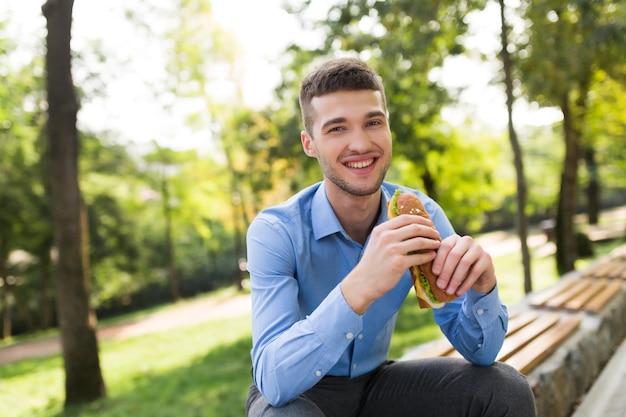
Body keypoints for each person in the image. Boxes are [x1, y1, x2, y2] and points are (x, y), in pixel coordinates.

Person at [245, 57, 536, 417]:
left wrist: (484, 288)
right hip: (301, 392)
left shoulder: (420, 214)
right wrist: (359, 288)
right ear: (310, 144)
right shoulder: (276, 232)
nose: (360, 143)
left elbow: (482, 352)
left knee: (504, 390)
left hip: (377, 386)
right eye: (337, 129)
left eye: (373, 122)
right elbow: (274, 382)